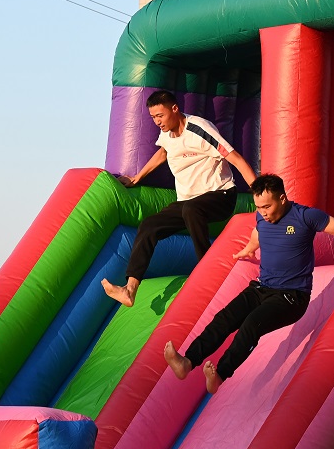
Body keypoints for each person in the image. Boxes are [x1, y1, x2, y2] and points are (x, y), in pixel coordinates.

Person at [164, 173, 334, 395]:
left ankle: (221, 374)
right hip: (261, 287)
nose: (263, 212)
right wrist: (249, 248)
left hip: (291, 297)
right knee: (225, 318)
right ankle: (188, 361)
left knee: (251, 324)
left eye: (267, 206)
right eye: (259, 207)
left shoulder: (305, 216)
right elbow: (258, 232)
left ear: (282, 198)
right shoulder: (262, 217)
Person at [102, 90, 257, 307]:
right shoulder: (166, 133)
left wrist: (259, 193)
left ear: (175, 109)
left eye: (160, 116)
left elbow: (236, 158)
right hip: (188, 201)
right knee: (149, 225)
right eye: (153, 117)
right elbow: (163, 152)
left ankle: (207, 270)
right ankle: (130, 289)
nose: (157, 122)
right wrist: (138, 178)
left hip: (220, 195)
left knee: (191, 210)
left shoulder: (199, 129)